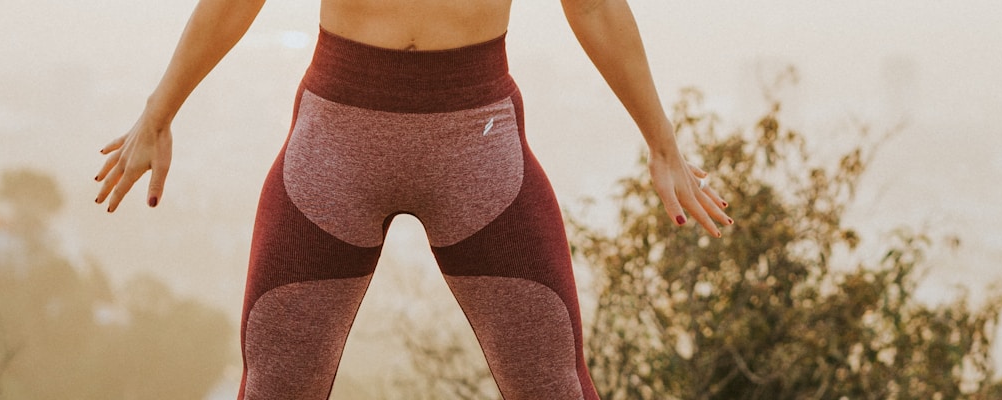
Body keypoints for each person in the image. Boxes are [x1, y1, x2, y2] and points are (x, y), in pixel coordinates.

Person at [95, 0, 733, 398]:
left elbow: (591, 5)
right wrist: (159, 111)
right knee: (273, 389)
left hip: (477, 144)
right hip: (334, 144)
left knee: (555, 388)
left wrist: (662, 142)